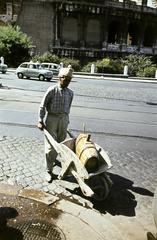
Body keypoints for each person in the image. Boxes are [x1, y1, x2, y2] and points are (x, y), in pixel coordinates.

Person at [37, 67, 74, 182]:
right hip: (52, 119)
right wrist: (40, 120)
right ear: (60, 77)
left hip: (63, 120)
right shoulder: (52, 90)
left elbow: (68, 107)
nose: (67, 82)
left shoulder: (70, 93)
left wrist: (66, 120)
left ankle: (62, 166)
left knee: (62, 144)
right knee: (50, 147)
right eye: (65, 79)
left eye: (69, 80)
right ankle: (48, 170)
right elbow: (42, 105)